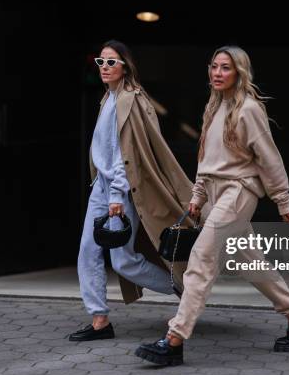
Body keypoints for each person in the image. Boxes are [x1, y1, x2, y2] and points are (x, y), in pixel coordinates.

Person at [135, 46, 289, 365]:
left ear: (239, 73)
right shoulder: (214, 107)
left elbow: (269, 157)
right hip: (215, 195)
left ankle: (175, 339)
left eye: (226, 68)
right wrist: (196, 198)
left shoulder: (249, 109)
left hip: (239, 192)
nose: (217, 73)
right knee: (252, 264)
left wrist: (282, 200)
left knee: (201, 259)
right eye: (214, 67)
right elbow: (207, 162)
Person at [69, 40, 195, 342]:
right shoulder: (108, 98)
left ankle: (186, 290)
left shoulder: (131, 100)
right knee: (88, 252)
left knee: (123, 260)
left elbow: (128, 155)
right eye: (101, 62)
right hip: (100, 186)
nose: (105, 68)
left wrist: (115, 196)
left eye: (111, 62)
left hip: (120, 190)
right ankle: (99, 320)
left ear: (125, 66)